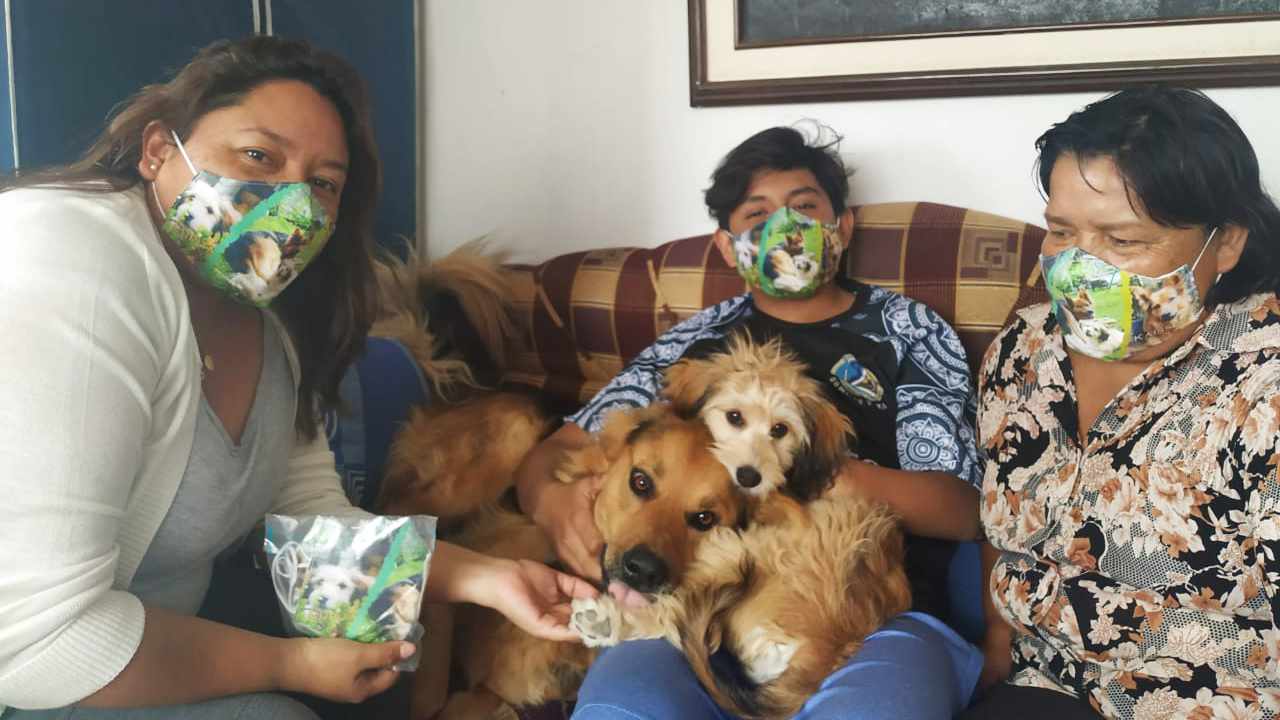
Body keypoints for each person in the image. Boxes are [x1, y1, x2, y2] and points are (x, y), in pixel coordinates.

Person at [0, 37, 594, 719]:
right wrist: (291, 664)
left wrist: (490, 579)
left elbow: (309, 521)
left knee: (391, 638)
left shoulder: (269, 323)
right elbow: (36, 641)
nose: (290, 201)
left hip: (131, 648)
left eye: (322, 183)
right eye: (258, 156)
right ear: (158, 150)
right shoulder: (72, 258)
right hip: (38, 674)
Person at [515, 124, 986, 719]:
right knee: (621, 705)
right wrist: (550, 504)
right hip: (688, 613)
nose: (784, 230)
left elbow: (961, 509)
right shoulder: (696, 344)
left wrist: (812, 473)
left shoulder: (907, 328)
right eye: (756, 216)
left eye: (804, 208)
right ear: (725, 247)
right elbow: (553, 453)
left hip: (877, 614)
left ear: (841, 226)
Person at [964, 86, 1280, 720]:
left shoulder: (1262, 383)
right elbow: (997, 526)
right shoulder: (1024, 348)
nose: (1082, 268)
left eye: (1124, 241)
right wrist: (996, 644)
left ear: (1225, 245)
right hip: (1042, 684)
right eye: (1060, 230)